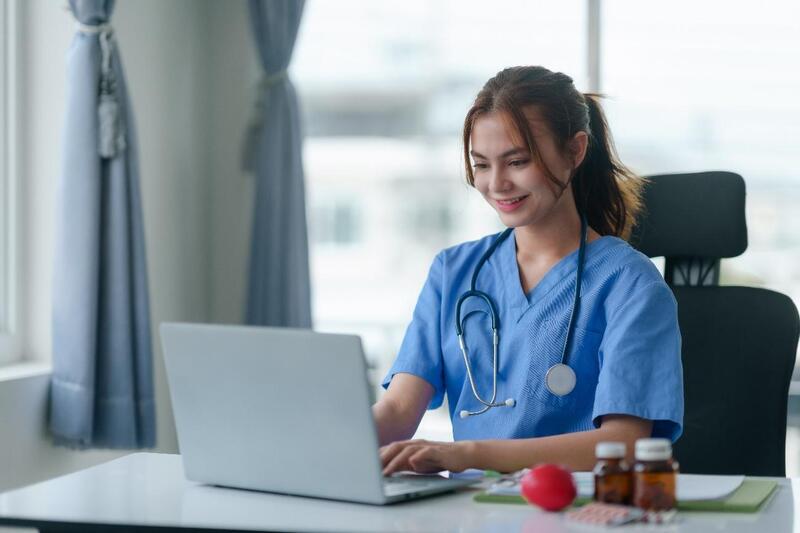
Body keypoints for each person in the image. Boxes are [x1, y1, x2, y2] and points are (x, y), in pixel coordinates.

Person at [373, 66, 683, 476]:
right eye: (481, 165)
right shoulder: (453, 271)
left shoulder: (630, 284)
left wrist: (468, 454)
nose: (497, 184)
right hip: (470, 512)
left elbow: (623, 443)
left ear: (575, 151)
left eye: (517, 161)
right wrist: (312, 441)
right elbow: (398, 408)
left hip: (574, 512)